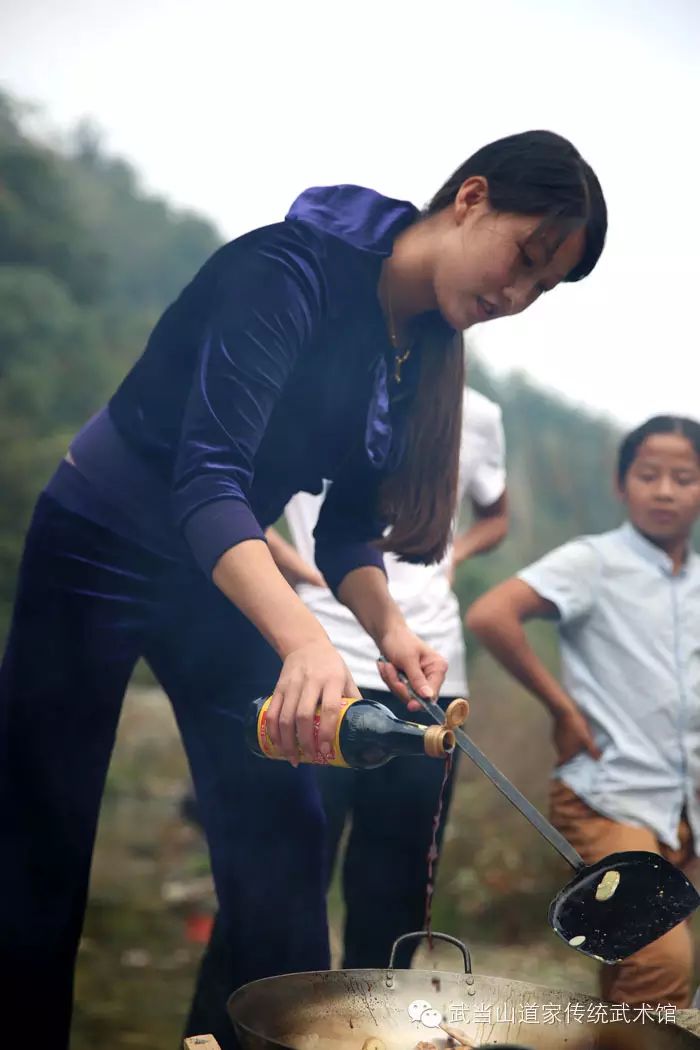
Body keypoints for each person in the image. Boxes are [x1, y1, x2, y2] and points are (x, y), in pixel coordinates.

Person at [0, 130, 606, 1049]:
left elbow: (347, 531)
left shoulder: (420, 346)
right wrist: (305, 640)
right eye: (526, 258)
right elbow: (206, 480)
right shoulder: (287, 271)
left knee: (282, 828)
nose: (517, 296)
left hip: (219, 571)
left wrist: (388, 629)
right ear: (472, 197)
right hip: (102, 539)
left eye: (542, 288)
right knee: (40, 830)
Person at [466, 415, 700, 1008]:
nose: (666, 490)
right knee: (661, 958)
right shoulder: (593, 561)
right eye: (649, 475)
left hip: (688, 805)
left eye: (684, 477)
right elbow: (491, 614)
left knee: (635, 969)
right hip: (611, 794)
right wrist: (561, 708)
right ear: (622, 486)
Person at [271, 385, 508, 969]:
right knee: (284, 876)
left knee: (396, 888)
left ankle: (368, 1029)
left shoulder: (478, 416)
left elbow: (496, 516)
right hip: (320, 655)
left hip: (429, 672)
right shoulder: (327, 386)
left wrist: (450, 559)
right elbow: (229, 494)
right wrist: (302, 572)